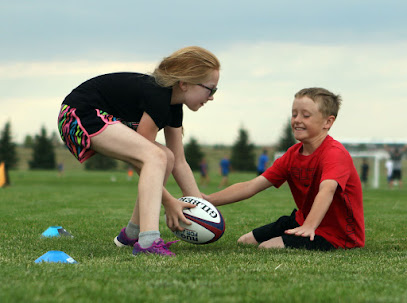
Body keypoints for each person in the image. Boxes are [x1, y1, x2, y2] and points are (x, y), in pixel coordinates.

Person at [58, 46, 220, 256]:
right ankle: (148, 242)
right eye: (211, 89)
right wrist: (170, 201)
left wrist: (200, 209)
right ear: (185, 83)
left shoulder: (173, 105)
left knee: (167, 158)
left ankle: (132, 234)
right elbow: (142, 159)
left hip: (97, 116)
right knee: (154, 156)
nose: (212, 97)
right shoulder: (158, 97)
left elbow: (179, 162)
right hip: (78, 115)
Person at [203, 87, 364, 251]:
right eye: (294, 114)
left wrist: (309, 226)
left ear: (327, 122)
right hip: (301, 221)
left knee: (267, 247)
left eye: (306, 115)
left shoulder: (334, 153)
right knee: (244, 241)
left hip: (337, 234)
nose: (297, 120)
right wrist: (208, 200)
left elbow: (327, 191)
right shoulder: (292, 154)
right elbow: (252, 186)